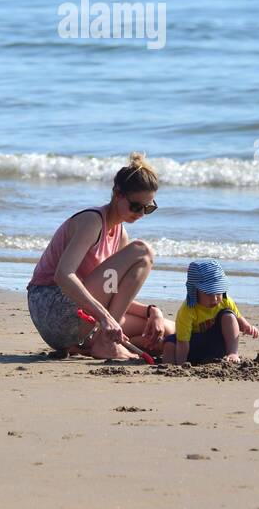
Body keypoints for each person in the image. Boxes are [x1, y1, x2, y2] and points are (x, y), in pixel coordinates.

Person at [25, 152, 174, 361]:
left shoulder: (120, 234)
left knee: (166, 331)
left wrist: (152, 312)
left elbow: (112, 292)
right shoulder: (92, 221)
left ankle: (94, 344)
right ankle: (106, 342)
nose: (141, 213)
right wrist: (105, 318)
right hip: (52, 307)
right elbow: (63, 275)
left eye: (148, 208)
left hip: (80, 317)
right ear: (117, 194)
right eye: (136, 206)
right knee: (143, 251)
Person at [162, 259, 259, 366]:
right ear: (195, 290)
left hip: (217, 345)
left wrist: (248, 327)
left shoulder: (226, 301)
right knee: (170, 342)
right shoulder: (188, 310)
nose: (215, 299)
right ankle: (170, 366)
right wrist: (181, 364)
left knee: (229, 316)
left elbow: (238, 321)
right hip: (193, 348)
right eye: (209, 293)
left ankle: (232, 353)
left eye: (218, 292)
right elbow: (183, 343)